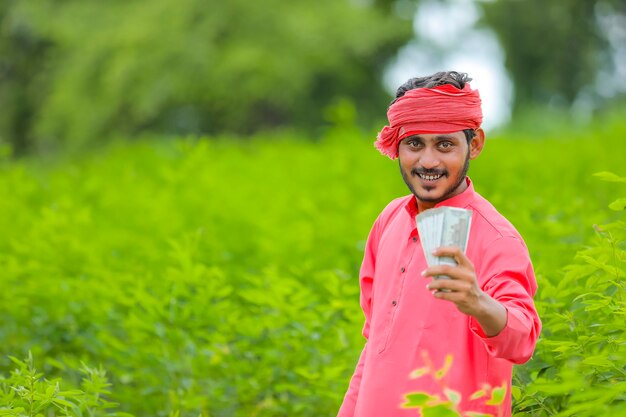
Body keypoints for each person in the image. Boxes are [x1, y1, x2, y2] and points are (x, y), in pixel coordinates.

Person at [337, 71, 541, 417]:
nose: (428, 161)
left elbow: (522, 339)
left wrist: (477, 301)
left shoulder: (496, 238)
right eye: (414, 144)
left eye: (444, 145)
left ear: (474, 144)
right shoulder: (389, 220)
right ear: (397, 147)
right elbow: (374, 347)